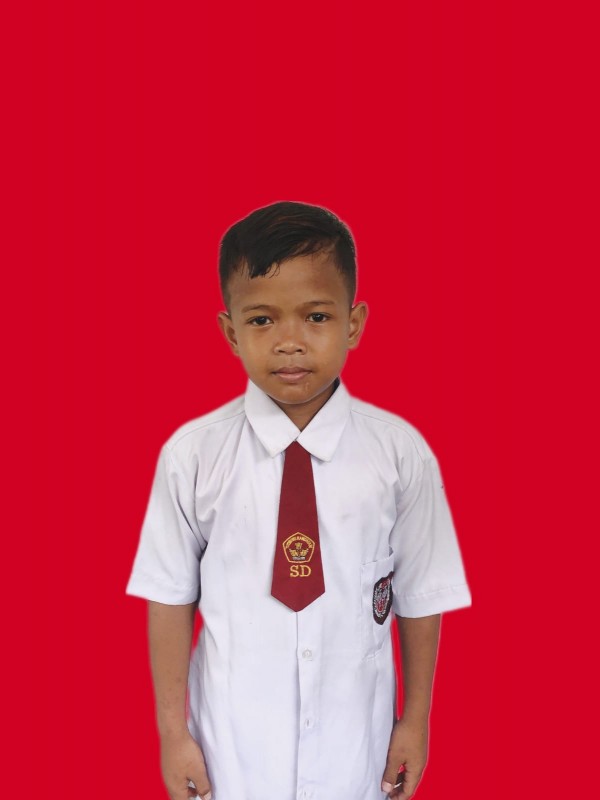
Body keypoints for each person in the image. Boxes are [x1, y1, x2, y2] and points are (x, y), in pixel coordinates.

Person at [126, 201, 472, 800]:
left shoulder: (399, 455)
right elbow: (169, 597)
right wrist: (172, 733)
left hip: (355, 751)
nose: (290, 342)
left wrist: (415, 722)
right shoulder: (193, 457)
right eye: (262, 320)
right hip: (232, 752)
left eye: (316, 316)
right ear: (230, 332)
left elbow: (421, 596)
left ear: (354, 324)